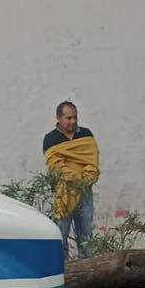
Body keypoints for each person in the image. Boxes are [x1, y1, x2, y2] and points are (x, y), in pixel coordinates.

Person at [43, 101, 100, 257]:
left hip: (84, 192)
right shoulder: (51, 139)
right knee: (61, 239)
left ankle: (88, 274)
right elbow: (56, 166)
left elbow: (92, 162)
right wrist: (76, 177)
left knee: (86, 239)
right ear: (58, 118)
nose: (73, 121)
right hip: (64, 193)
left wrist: (85, 180)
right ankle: (65, 274)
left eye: (75, 117)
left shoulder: (86, 135)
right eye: (68, 118)